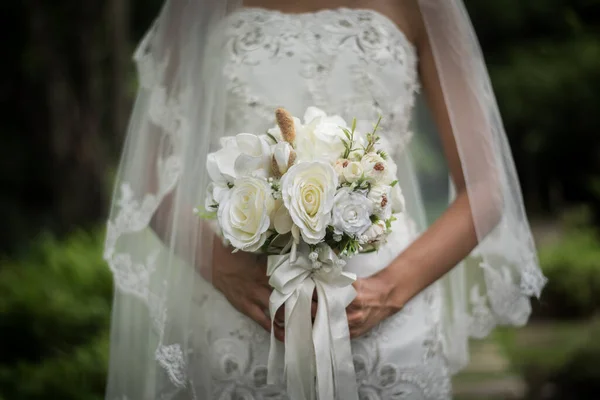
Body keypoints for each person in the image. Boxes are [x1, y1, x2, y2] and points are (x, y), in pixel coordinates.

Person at [103, 0, 547, 399]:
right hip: (240, 313)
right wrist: (225, 271)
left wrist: (389, 291)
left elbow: (485, 187)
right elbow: (148, 182)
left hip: (385, 311)